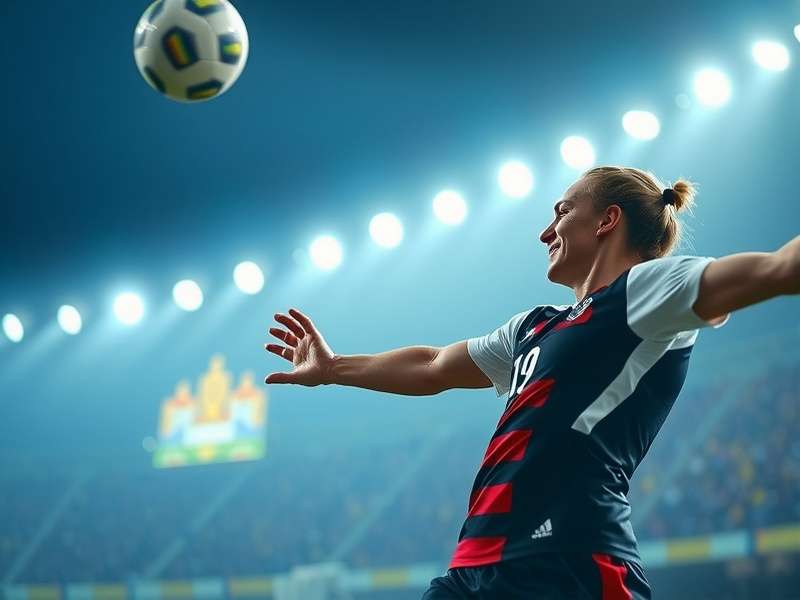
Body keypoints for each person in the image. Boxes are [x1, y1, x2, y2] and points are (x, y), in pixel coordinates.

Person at [263, 165, 799, 599]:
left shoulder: (647, 289)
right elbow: (432, 366)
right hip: (474, 569)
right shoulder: (535, 325)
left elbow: (777, 269)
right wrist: (334, 370)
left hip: (567, 561)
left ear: (607, 220)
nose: (546, 231)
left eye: (562, 212)